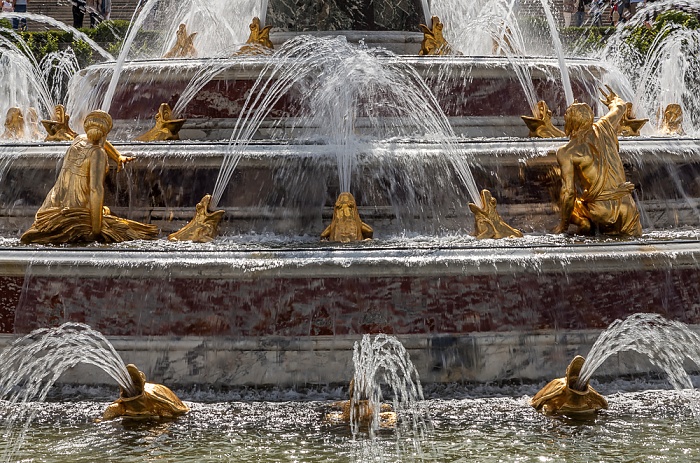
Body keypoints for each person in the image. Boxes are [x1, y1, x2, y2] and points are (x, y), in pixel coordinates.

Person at [20, 110, 159, 244]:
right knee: (125, 227)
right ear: (107, 131)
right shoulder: (97, 154)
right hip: (77, 210)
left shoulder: (79, 139)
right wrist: (96, 230)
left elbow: (101, 142)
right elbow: (96, 190)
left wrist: (117, 156)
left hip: (53, 205)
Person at [553, 86, 642, 237]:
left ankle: (584, 224)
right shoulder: (604, 127)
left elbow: (568, 193)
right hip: (627, 207)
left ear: (571, 121)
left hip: (602, 211)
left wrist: (563, 225)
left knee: (573, 203)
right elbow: (621, 107)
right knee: (636, 253)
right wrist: (613, 101)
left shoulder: (567, 151)